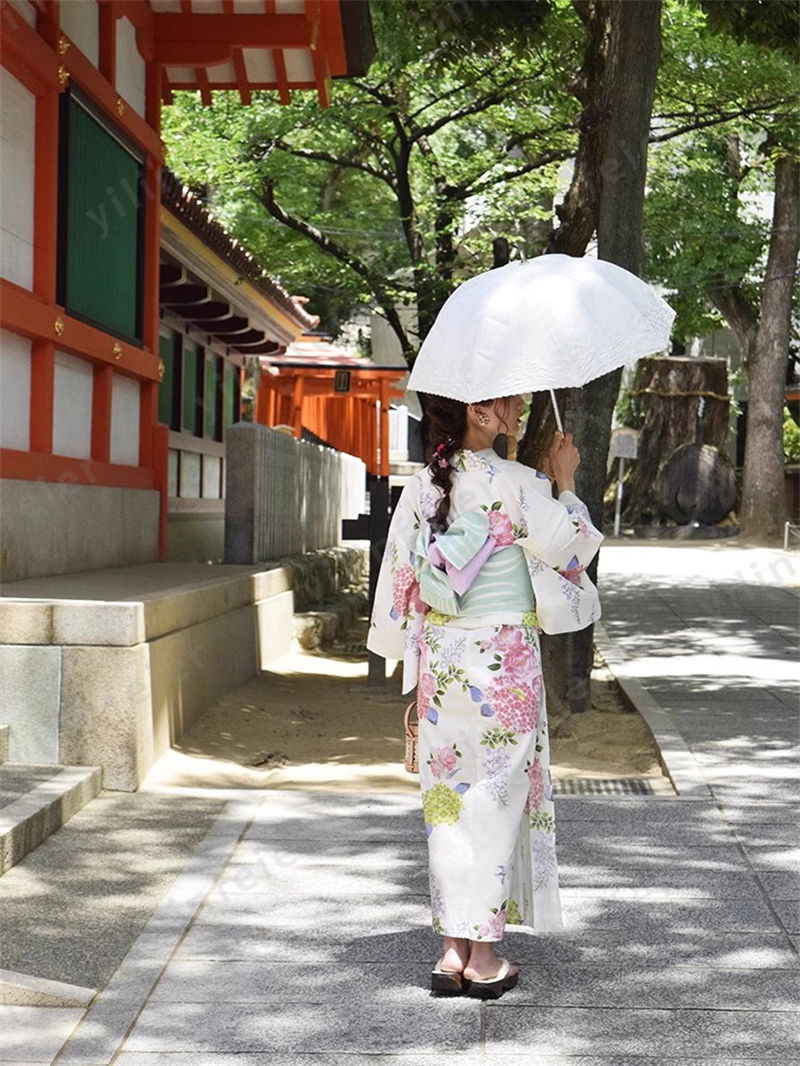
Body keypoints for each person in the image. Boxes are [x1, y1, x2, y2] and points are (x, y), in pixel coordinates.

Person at [366, 393, 604, 999]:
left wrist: (406, 654)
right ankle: (485, 955)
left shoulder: (424, 486)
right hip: (505, 658)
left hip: (444, 656)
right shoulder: (521, 483)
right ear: (478, 411)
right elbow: (574, 548)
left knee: (446, 797)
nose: (520, 405)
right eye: (509, 400)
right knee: (497, 794)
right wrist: (565, 481)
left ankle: (452, 948)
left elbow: (401, 580)